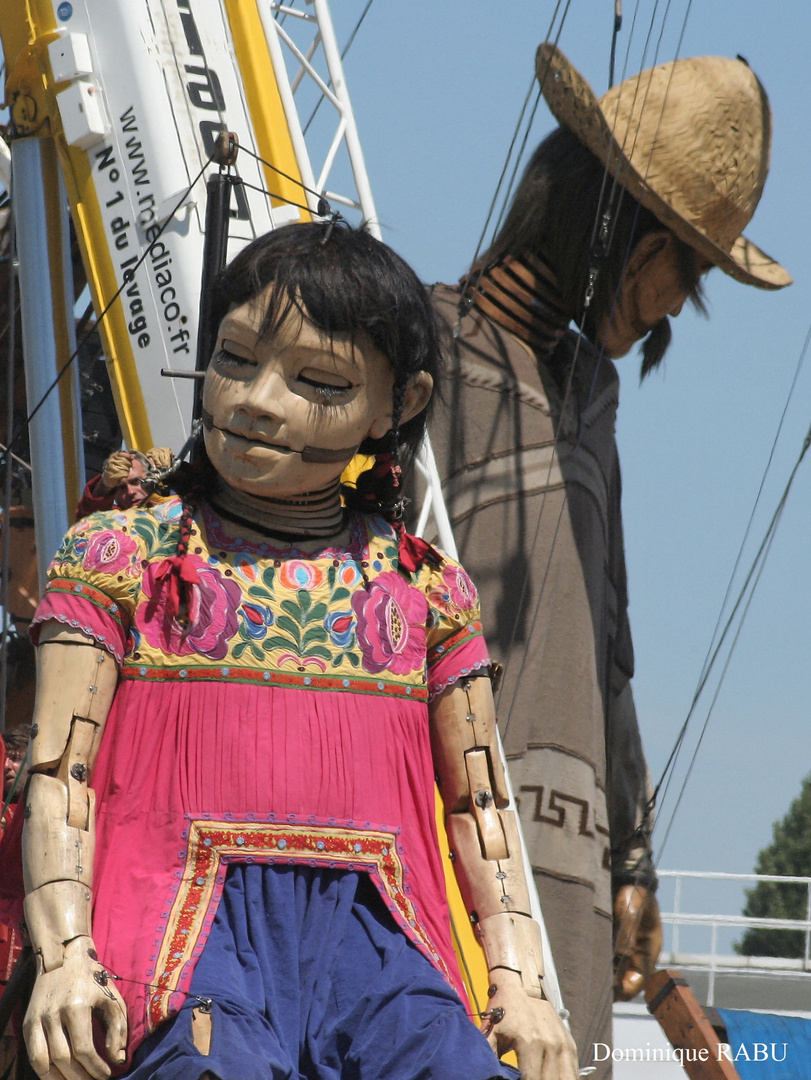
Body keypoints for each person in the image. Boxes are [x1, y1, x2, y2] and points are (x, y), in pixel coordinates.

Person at [14, 222, 577, 1080]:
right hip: (179, 948)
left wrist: (523, 983)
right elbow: (59, 774)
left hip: (382, 956)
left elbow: (480, 811)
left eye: (316, 380)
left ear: (400, 402)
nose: (256, 400)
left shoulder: (428, 596)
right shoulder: (119, 557)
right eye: (236, 359)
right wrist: (64, 959)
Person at [424, 44, 790, 1074]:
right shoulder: (421, 352)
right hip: (436, 835)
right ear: (613, 224)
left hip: (566, 872)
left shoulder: (591, 392)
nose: (679, 303)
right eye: (685, 265)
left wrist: (632, 855)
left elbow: (607, 645)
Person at [75, 447, 174, 519]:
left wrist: (175, 469)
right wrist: (103, 487)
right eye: (121, 488)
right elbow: (87, 522)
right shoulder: (113, 522)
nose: (130, 492)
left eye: (135, 481)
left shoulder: (173, 500)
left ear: (151, 475)